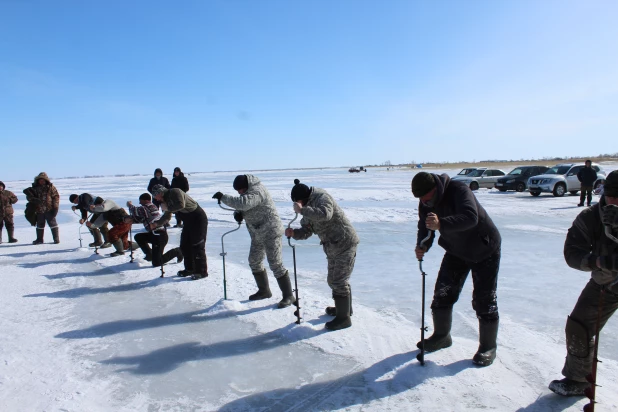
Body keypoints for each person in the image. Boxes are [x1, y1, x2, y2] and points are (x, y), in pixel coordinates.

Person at [411, 171, 502, 366]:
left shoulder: (459, 190)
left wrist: (441, 224)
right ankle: (442, 336)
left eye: (426, 198)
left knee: (484, 300)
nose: (425, 203)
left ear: (435, 189)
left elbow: (471, 217)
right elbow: (425, 226)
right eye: (421, 200)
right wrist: (423, 245)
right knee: (443, 293)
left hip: (484, 248)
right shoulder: (425, 201)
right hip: (456, 250)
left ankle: (488, 347)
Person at [549, 170, 618, 396]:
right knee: (578, 327)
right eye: (610, 195)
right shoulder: (590, 217)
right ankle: (579, 379)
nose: (614, 201)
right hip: (605, 283)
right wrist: (597, 261)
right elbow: (572, 253)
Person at [284, 179, 359, 331]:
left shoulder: (322, 197)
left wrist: (302, 210)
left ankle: (344, 319)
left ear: (303, 198)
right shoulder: (306, 206)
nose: (300, 206)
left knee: (338, 281)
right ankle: (344, 310)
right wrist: (295, 233)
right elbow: (307, 230)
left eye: (299, 203)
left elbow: (325, 215)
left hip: (345, 243)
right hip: (332, 246)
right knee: (333, 280)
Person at [213, 174, 295, 308]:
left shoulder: (258, 191)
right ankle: (264, 291)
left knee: (275, 263)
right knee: (254, 261)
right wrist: (238, 214)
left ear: (246, 186)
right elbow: (243, 207)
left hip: (271, 231)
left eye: (240, 190)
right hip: (257, 234)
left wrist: (223, 197)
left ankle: (288, 296)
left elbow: (245, 203)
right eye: (238, 191)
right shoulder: (247, 192)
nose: (239, 193)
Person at [152, 184, 208, 280]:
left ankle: (201, 272)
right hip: (188, 221)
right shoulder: (166, 200)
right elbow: (167, 216)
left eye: (155, 196)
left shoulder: (175, 191)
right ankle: (190, 269)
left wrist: (167, 208)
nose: (156, 199)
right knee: (185, 245)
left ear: (160, 192)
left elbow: (181, 204)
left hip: (198, 218)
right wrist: (157, 224)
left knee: (197, 245)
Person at [126, 193, 183, 267]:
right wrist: (130, 219)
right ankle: (150, 255)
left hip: (160, 236)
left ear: (146, 200)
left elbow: (136, 210)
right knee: (138, 237)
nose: (140, 203)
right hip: (153, 234)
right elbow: (141, 218)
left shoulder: (148, 207)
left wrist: (130, 205)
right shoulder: (147, 209)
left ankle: (177, 252)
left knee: (157, 263)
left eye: (140, 201)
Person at [23, 172, 60, 244]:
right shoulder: (34, 188)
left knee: (53, 224)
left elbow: (56, 197)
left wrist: (55, 208)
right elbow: (29, 197)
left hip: (49, 209)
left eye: (43, 180)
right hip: (39, 210)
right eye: (40, 180)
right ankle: (39, 239)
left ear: (46, 180)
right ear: (37, 180)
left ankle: (56, 239)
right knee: (40, 224)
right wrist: (33, 199)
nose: (41, 181)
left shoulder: (51, 187)